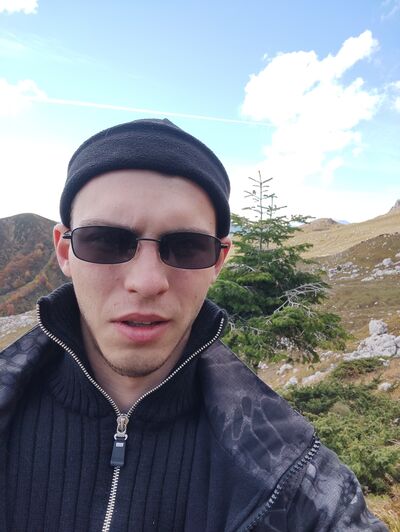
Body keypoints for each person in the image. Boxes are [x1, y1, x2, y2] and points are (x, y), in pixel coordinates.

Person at [0, 118, 387, 532]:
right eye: (106, 241)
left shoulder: (294, 477)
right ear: (65, 252)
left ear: (218, 261)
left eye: (187, 247)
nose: (147, 282)